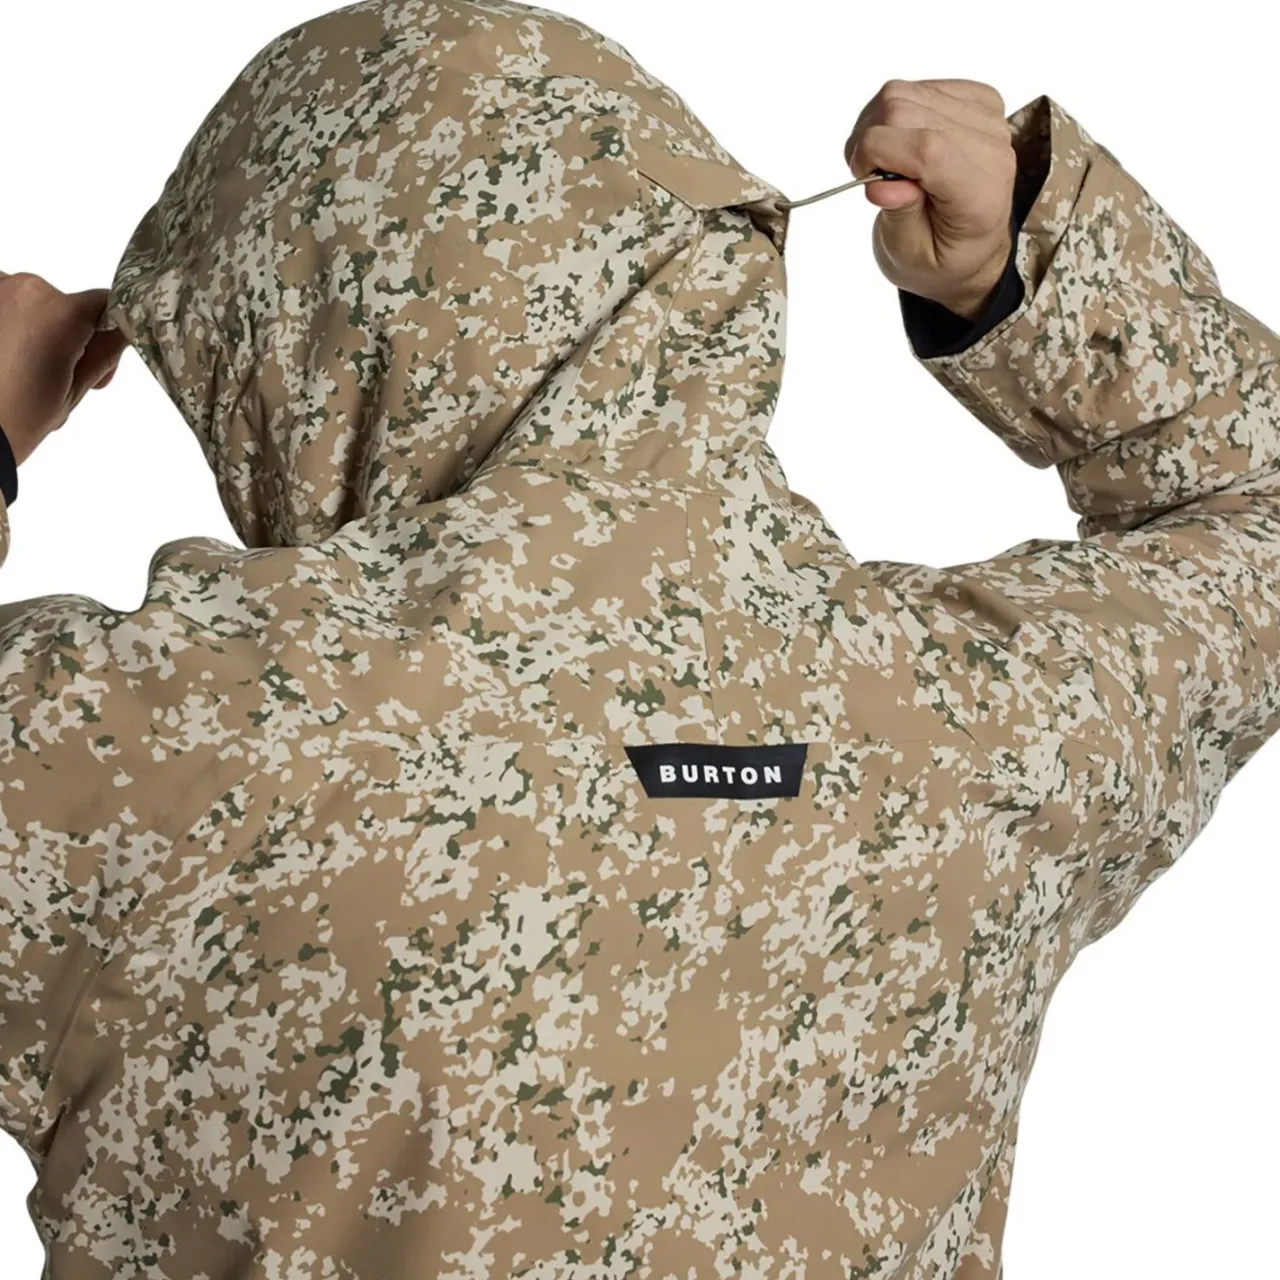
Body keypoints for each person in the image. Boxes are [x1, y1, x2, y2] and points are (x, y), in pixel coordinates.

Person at [0, 2, 1275, 1277]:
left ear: (269, 353)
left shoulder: (148, 745)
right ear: (695, 271)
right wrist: (1016, 260)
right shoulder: (988, 723)